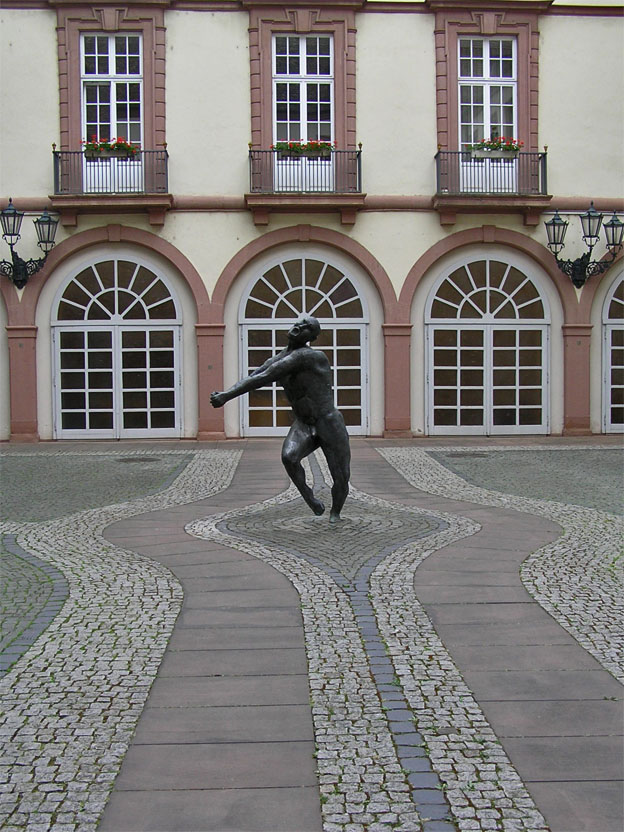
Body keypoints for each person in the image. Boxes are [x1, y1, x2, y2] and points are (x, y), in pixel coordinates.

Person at [210, 315, 350, 522]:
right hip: (304, 422)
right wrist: (226, 393)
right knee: (289, 458)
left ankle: (335, 512)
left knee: (341, 475)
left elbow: (265, 376)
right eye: (300, 322)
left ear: (311, 338)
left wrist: (226, 396)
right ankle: (309, 497)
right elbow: (255, 376)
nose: (300, 326)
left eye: (307, 327)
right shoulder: (279, 358)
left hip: (328, 421)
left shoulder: (311, 357)